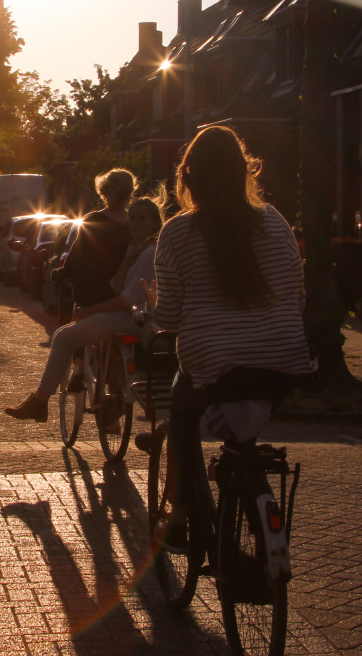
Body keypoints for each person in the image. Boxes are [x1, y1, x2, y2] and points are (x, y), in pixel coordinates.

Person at [142, 127, 314, 545]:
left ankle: (180, 518)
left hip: (214, 366)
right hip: (282, 364)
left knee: (181, 417)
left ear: (189, 177)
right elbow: (298, 295)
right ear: (243, 172)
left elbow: (169, 316)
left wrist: (150, 308)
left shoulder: (178, 232)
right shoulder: (274, 222)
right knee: (244, 434)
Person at [4, 194, 166, 422]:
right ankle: (107, 397)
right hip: (129, 314)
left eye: (143, 219)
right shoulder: (139, 249)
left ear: (155, 223)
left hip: (135, 318)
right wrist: (127, 258)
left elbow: (127, 299)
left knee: (62, 337)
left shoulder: (150, 253)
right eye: (133, 218)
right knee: (76, 337)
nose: (136, 223)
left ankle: (40, 402)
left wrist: (91, 311)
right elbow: (116, 286)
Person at [60, 168, 135, 309]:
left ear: (103, 192)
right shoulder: (135, 223)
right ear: (130, 193)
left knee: (66, 332)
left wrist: (63, 275)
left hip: (92, 297)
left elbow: (76, 258)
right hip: (125, 297)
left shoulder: (93, 220)